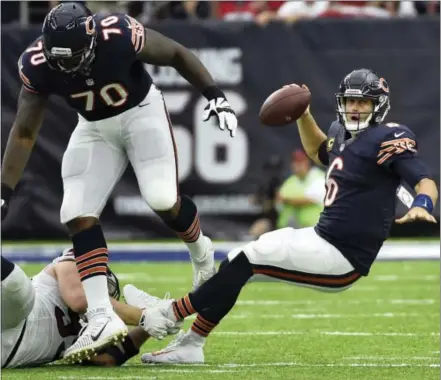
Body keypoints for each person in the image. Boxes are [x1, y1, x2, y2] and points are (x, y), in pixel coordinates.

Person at [134, 68, 438, 364]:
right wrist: (304, 116)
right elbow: (319, 150)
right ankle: (192, 344)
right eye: (350, 101)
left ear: (378, 107)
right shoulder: (341, 133)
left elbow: (423, 179)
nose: (355, 109)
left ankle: (169, 313)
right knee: (237, 259)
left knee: (247, 260)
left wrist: (422, 203)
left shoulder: (387, 137)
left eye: (363, 103)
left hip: (344, 256)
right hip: (320, 237)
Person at [0, 2, 237, 362]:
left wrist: (214, 95)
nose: (65, 66)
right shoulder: (37, 63)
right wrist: (3, 192)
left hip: (141, 113)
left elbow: (175, 53)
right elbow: (24, 133)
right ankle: (99, 317)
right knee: (76, 210)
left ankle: (201, 250)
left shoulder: (119, 35)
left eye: (73, 56)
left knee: (161, 199)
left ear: (92, 42)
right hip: (95, 127)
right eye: (58, 58)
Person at [1, 251, 177, 368]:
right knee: (15, 284)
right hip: (15, 316)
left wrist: (149, 328)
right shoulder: (74, 262)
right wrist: (144, 316)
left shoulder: (92, 331)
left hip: (5, 354)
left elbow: (108, 359)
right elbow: (80, 300)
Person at [276, 149, 325, 229]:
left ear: (308, 162)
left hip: (313, 230)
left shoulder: (319, 177)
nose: (297, 165)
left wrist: (287, 200)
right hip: (290, 228)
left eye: (301, 161)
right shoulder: (290, 180)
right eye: (295, 162)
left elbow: (309, 199)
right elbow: (279, 199)